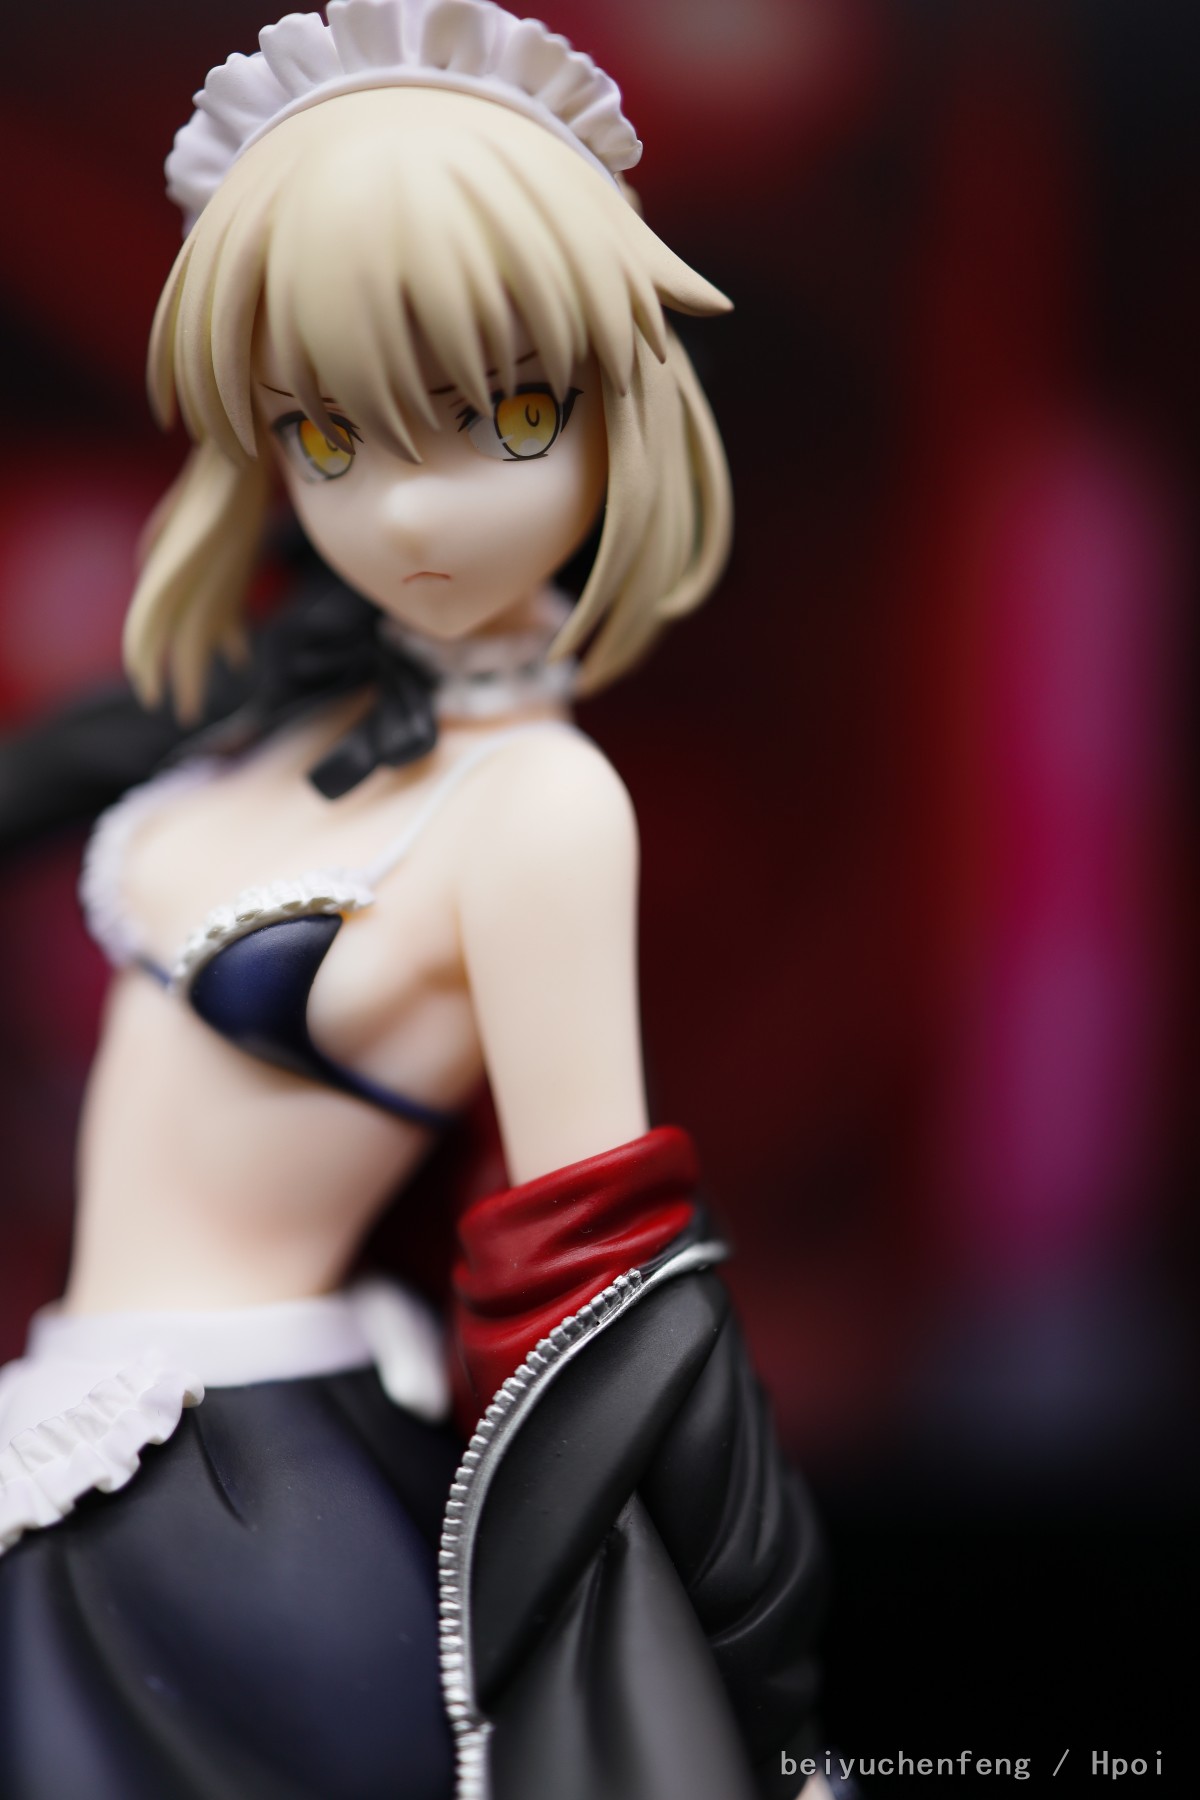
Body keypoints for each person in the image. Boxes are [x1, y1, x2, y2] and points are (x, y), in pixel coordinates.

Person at [0, 4, 838, 1796]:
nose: (409, 515)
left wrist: (736, 1682)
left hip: (245, 1504)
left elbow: (598, 1271)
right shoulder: (280, 701)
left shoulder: (540, 805)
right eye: (329, 436)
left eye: (508, 413)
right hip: (85, 1447)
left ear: (616, 401)